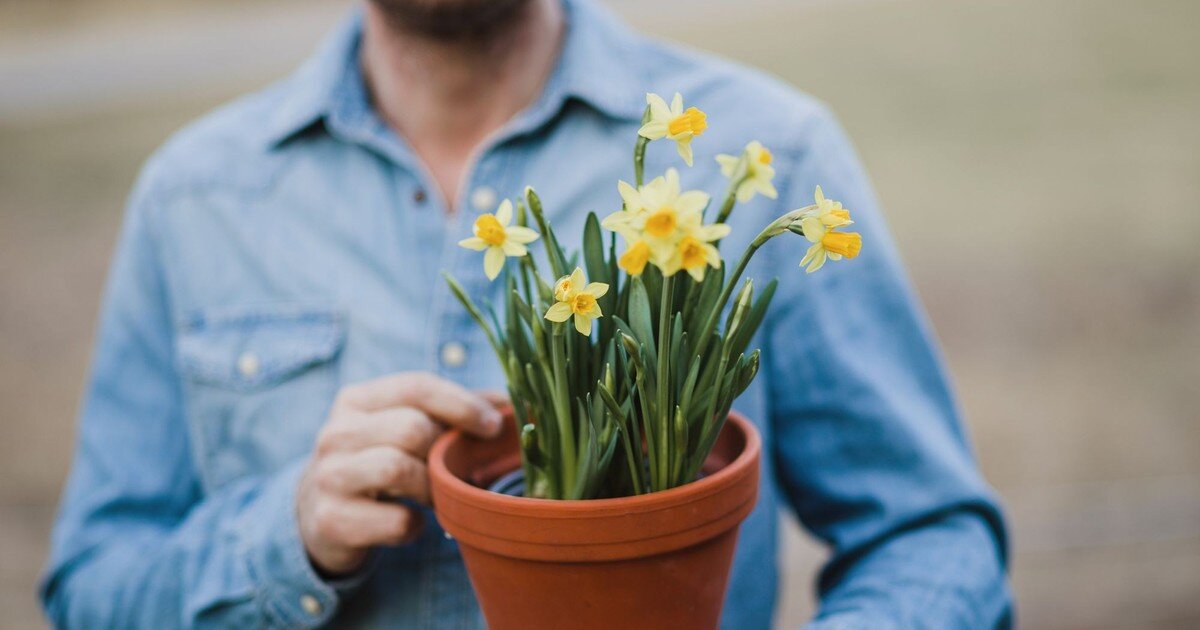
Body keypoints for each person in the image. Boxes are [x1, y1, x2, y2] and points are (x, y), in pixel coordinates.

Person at [40, 0, 1012, 627]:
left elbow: (933, 536)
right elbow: (91, 589)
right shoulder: (194, 197)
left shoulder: (770, 156)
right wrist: (285, 536)